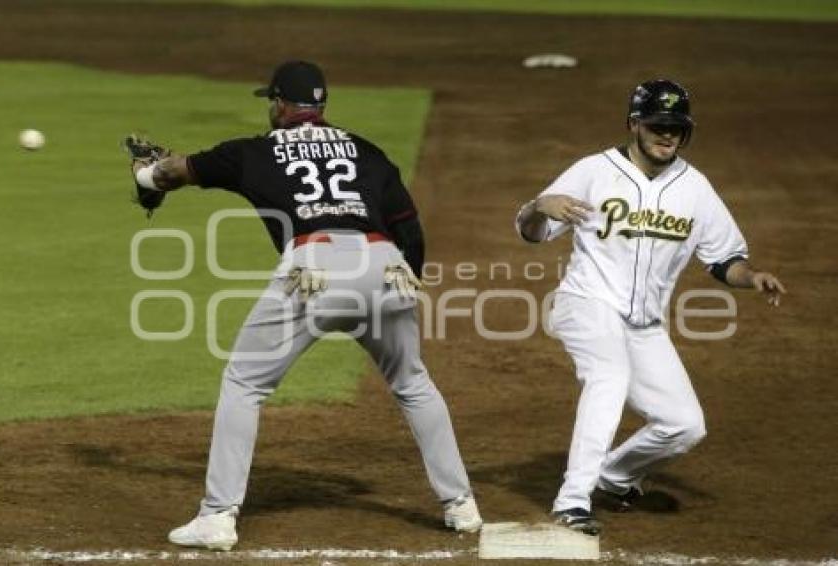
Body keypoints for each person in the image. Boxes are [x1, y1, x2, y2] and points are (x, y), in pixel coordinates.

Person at [128, 60, 482, 551]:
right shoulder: (365, 150)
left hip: (314, 267)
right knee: (412, 382)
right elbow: (409, 227)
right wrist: (405, 287)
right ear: (321, 106)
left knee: (245, 382)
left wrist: (148, 175)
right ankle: (461, 505)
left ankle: (217, 516)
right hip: (385, 265)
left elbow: (177, 170)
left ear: (278, 104)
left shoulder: (253, 151)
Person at [515, 79, 786, 536]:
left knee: (684, 425)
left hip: (644, 324)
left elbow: (724, 259)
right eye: (659, 126)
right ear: (634, 124)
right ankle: (572, 499)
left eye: (677, 129)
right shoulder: (593, 170)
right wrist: (541, 204)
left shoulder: (695, 188)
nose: (668, 136)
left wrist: (750, 277)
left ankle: (615, 476)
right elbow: (530, 230)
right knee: (609, 377)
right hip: (586, 303)